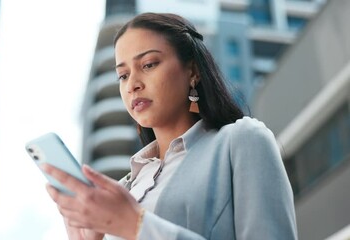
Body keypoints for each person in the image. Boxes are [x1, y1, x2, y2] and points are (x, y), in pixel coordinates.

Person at [42, 12, 298, 240]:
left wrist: (137, 226)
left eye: (149, 64)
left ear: (193, 71)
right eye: (123, 75)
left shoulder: (242, 141)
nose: (132, 84)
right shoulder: (124, 188)